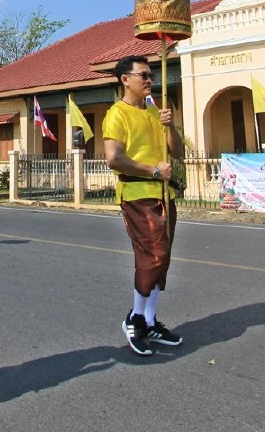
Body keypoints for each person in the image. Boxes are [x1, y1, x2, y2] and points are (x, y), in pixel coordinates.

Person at [102, 54, 183, 356]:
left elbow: (176, 152)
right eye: (144, 75)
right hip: (137, 194)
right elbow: (114, 158)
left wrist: (170, 126)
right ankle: (135, 319)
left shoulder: (154, 111)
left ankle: (150, 320)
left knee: (163, 259)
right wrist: (152, 171)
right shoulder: (117, 114)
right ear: (125, 79)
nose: (150, 80)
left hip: (164, 194)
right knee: (152, 256)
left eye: (151, 76)